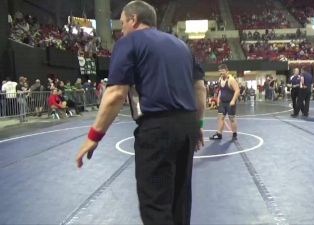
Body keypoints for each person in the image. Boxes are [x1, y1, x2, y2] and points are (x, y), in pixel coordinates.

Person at [75, 1, 206, 225]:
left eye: (123, 23)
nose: (122, 29)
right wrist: (198, 126)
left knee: (155, 204)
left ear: (133, 19)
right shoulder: (181, 45)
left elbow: (116, 93)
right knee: (180, 201)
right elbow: (200, 88)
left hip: (157, 129)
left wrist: (94, 136)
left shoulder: (129, 42)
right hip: (187, 127)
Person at [209, 64, 240, 140]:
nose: (221, 73)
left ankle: (234, 134)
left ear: (227, 71)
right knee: (220, 117)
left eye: (223, 71)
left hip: (230, 102)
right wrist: (218, 99)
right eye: (220, 71)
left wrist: (233, 100)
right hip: (223, 102)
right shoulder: (220, 79)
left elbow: (237, 90)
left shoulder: (231, 80)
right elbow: (220, 90)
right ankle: (219, 134)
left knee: (231, 118)